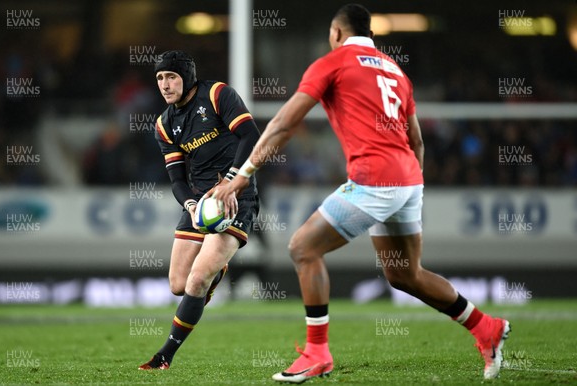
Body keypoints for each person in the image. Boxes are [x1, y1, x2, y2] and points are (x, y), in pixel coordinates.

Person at [213, 4, 510, 383]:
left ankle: (317, 352)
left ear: (337, 33)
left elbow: (285, 123)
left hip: (376, 178)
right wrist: (409, 187)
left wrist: (243, 173)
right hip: (408, 178)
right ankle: (487, 328)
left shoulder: (333, 62)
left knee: (303, 248)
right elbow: (416, 139)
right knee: (405, 274)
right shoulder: (395, 71)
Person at [138, 50, 260, 370]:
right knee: (178, 285)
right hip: (200, 203)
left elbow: (251, 136)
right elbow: (176, 179)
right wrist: (191, 205)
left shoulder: (218, 94)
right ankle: (218, 268)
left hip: (236, 197)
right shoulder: (164, 124)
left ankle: (164, 355)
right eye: (160, 78)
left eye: (171, 77)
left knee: (196, 282)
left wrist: (232, 181)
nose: (165, 84)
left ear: (187, 77)